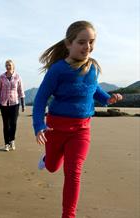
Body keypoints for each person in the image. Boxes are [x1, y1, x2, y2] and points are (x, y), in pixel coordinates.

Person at [32, 21, 123, 218]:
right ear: (69, 44)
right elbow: (40, 99)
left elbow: (93, 89)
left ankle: (68, 215)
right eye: (82, 42)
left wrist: (108, 98)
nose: (87, 47)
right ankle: (48, 159)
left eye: (91, 42)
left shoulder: (93, 68)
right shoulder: (57, 70)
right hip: (55, 129)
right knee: (52, 167)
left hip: (81, 130)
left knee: (73, 173)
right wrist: (39, 125)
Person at [0, 59, 25, 151]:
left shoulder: (18, 77)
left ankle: (12, 140)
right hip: (4, 104)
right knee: (5, 124)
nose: (8, 67)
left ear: (13, 66)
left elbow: (21, 91)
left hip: (15, 103)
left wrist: (23, 105)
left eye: (10, 65)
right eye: (7, 65)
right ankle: (6, 144)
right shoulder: (1, 77)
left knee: (13, 124)